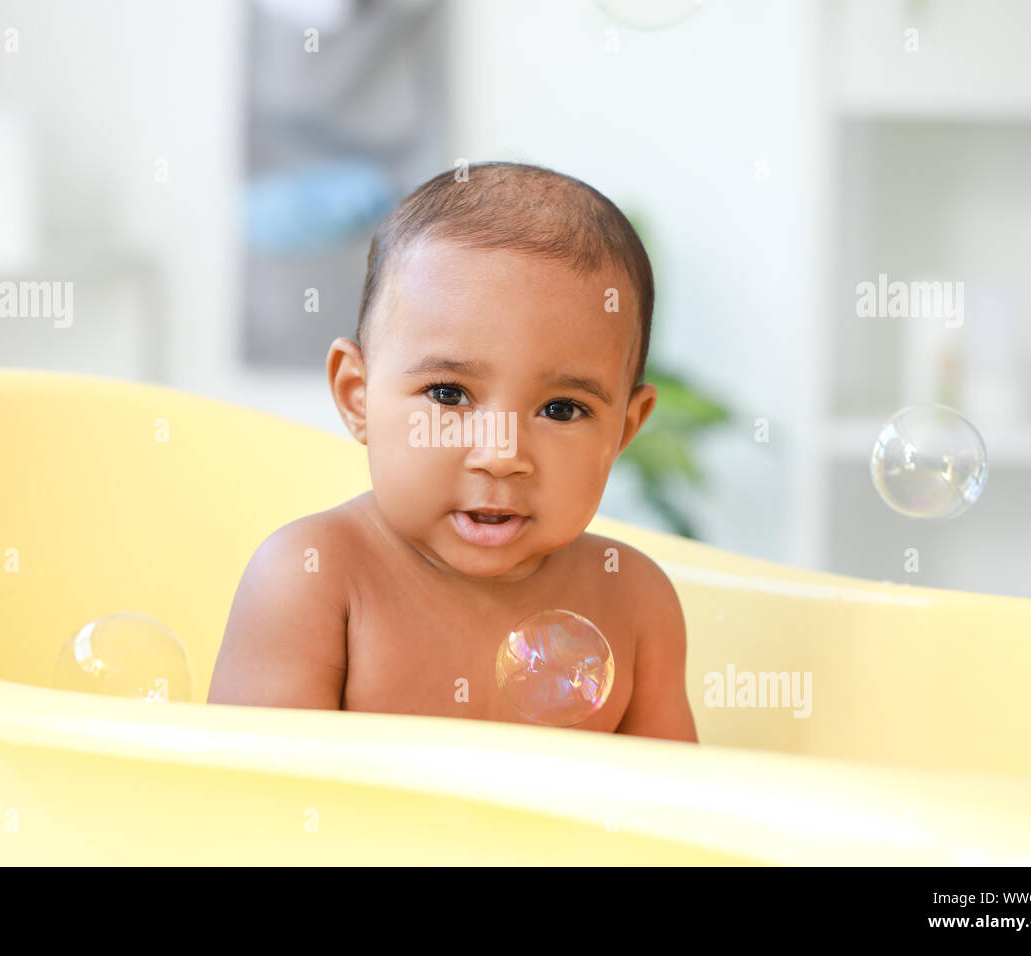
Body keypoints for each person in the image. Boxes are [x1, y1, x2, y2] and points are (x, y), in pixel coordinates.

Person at [210, 161, 698, 742]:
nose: (501, 455)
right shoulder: (314, 578)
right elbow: (251, 807)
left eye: (562, 409)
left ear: (624, 428)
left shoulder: (636, 604)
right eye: (449, 394)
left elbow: (671, 816)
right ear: (357, 396)